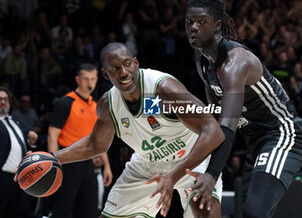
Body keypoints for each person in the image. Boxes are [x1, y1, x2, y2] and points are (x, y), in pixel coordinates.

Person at [42, 42, 226, 218]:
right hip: (147, 162)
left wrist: (171, 177)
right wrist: (53, 158)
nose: (124, 73)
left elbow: (213, 131)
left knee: (205, 209)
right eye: (115, 69)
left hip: (191, 157)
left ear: (136, 63)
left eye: (127, 64)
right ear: (106, 74)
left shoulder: (164, 88)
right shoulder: (108, 104)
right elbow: (94, 144)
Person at [182, 0, 302, 218]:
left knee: (254, 212)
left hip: (283, 135)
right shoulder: (203, 64)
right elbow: (215, 121)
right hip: (255, 141)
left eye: (202, 22)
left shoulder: (235, 62)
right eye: (190, 22)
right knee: (250, 212)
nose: (193, 27)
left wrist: (212, 174)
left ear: (217, 26)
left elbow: (227, 126)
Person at [47, 64, 113, 218]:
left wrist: (107, 166)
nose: (89, 83)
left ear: (97, 80)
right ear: (77, 80)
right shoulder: (66, 102)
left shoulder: (96, 106)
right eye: (85, 79)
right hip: (68, 161)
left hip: (88, 163)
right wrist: (55, 164)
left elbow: (99, 141)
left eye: (92, 79)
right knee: (62, 209)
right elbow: (52, 136)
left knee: (90, 209)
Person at [0, 86, 38, 218]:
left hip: (19, 177)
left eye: (5, 99)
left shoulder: (13, 120)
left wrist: (30, 136)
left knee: (15, 213)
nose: (3, 102)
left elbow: (19, 138)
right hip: (3, 176)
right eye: (0, 99)